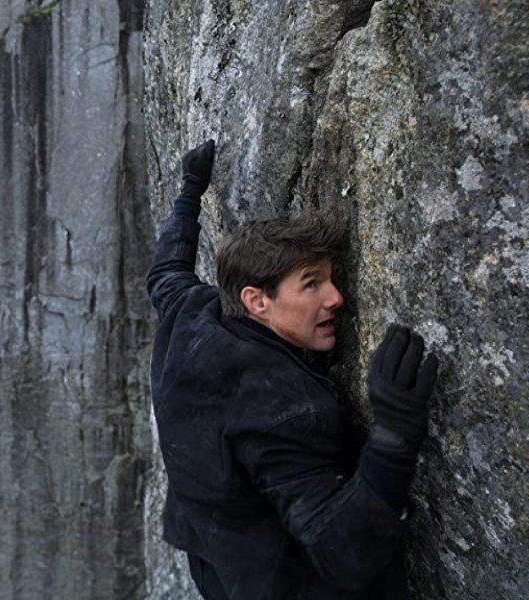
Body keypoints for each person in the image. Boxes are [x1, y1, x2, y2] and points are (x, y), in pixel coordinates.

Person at [147, 140, 439, 598]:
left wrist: (190, 192)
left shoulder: (191, 312)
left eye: (330, 279)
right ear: (256, 300)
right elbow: (343, 550)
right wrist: (394, 438)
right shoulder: (282, 407)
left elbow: (165, 271)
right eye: (311, 285)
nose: (336, 298)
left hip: (211, 557)